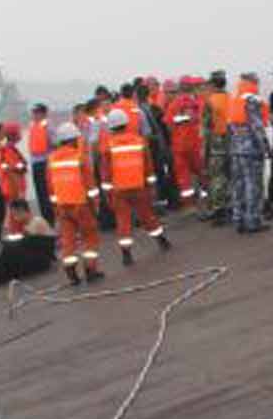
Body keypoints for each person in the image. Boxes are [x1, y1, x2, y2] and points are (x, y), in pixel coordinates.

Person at [102, 108, 171, 264]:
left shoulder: (108, 146)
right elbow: (149, 167)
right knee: (148, 216)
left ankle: (126, 254)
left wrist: (107, 194)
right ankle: (161, 241)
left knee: (123, 221)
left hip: (119, 190)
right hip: (139, 187)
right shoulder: (139, 141)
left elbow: (106, 173)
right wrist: (152, 187)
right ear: (126, 123)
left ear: (111, 127)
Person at [45, 121, 104, 283]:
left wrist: (55, 207)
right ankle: (90, 269)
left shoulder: (51, 160)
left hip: (62, 206)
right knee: (90, 237)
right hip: (81, 204)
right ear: (72, 140)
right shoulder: (80, 158)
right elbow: (90, 186)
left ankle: (70, 270)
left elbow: (50, 187)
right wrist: (95, 205)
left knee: (68, 239)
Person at [226, 71, 268, 231]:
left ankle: (238, 219)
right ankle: (253, 220)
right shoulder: (252, 101)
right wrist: (265, 147)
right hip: (251, 149)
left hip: (235, 148)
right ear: (254, 82)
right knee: (253, 184)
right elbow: (257, 127)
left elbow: (229, 126)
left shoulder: (234, 100)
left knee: (238, 184)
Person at [166, 77, 205, 210]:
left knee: (183, 177)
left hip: (179, 146)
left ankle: (189, 205)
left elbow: (168, 124)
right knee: (202, 171)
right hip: (195, 144)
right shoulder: (197, 103)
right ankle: (207, 198)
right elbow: (204, 121)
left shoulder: (173, 104)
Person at [0, 122, 32, 244]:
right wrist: (19, 191)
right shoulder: (8, 150)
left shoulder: (6, 149)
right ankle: (16, 241)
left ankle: (15, 238)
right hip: (13, 188)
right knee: (17, 217)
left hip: (11, 187)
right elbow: (13, 171)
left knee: (14, 216)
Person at [200, 68, 231, 221]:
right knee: (230, 175)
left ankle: (218, 208)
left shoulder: (210, 102)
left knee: (217, 176)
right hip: (232, 142)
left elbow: (205, 128)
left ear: (213, 84)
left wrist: (203, 151)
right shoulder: (231, 98)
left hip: (216, 143)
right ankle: (232, 204)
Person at [24, 102, 56, 225]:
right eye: (33, 113)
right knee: (40, 194)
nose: (34, 115)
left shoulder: (49, 127)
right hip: (36, 164)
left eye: (37, 112)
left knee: (47, 193)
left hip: (46, 164)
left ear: (43, 113)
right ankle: (45, 217)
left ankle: (50, 219)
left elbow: (55, 143)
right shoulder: (33, 126)